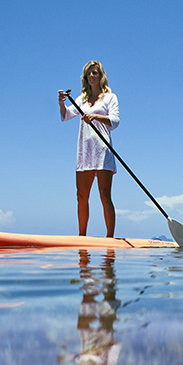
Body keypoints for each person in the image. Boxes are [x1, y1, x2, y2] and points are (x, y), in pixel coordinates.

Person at [58, 61, 120, 237]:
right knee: (81, 196)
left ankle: (110, 238)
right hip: (85, 152)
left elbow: (115, 122)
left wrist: (95, 116)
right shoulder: (81, 99)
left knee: (104, 195)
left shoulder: (110, 97)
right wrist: (61, 103)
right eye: (89, 73)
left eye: (95, 73)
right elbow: (66, 116)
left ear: (101, 76)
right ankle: (82, 237)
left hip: (103, 150)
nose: (92, 76)